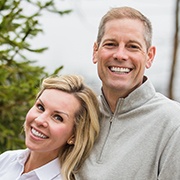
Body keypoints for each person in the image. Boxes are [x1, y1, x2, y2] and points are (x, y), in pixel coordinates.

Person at [75, 6, 180, 180]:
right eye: (111, 44)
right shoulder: (81, 114)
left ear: (150, 56)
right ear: (95, 51)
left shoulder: (173, 123)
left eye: (132, 46)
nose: (120, 55)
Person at [0, 74, 100, 180]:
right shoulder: (6, 160)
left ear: (74, 136)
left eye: (57, 117)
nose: (39, 120)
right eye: (40, 107)